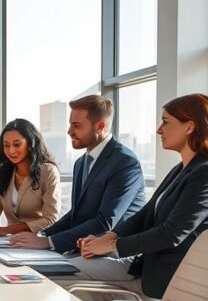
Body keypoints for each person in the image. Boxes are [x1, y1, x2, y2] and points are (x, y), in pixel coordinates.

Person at [55, 93, 208, 300]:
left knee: (64, 275)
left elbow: (171, 233)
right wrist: (108, 237)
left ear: (189, 126)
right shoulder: (182, 169)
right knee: (64, 271)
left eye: (166, 122)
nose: (159, 130)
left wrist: (111, 246)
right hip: (144, 267)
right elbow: (145, 215)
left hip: (167, 280)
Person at [10, 95, 145, 250]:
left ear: (100, 126)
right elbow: (75, 215)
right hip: (81, 249)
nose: (69, 131)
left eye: (77, 125)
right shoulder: (81, 163)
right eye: (70, 125)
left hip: (111, 253)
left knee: (36, 271)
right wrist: (43, 235)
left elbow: (105, 222)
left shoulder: (125, 162)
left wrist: (49, 243)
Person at [0, 118, 61, 236]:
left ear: (30, 144)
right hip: (10, 243)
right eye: (6, 145)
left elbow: (50, 220)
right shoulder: (5, 171)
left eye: (17, 144)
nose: (11, 151)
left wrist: (7, 230)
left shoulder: (48, 171)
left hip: (38, 242)